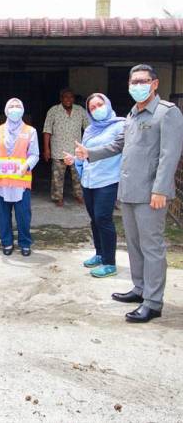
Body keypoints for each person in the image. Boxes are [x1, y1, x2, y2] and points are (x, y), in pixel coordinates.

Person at [75, 64, 183, 323]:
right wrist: (90, 154)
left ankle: (153, 302)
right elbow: (117, 145)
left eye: (143, 81)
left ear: (154, 84)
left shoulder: (167, 113)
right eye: (133, 82)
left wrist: (160, 189)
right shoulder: (133, 115)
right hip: (129, 192)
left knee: (152, 246)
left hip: (151, 194)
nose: (137, 86)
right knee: (134, 245)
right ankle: (139, 289)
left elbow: (170, 156)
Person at [64, 93, 125, 278]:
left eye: (100, 104)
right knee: (94, 219)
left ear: (107, 104)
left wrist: (88, 153)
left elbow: (116, 147)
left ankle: (109, 263)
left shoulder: (120, 125)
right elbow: (85, 154)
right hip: (89, 180)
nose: (97, 109)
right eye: (92, 108)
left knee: (103, 219)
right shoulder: (90, 129)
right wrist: (75, 159)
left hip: (107, 180)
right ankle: (99, 254)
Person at [0, 98, 39, 257]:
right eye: (12, 106)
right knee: (3, 216)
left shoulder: (30, 131)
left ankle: (25, 243)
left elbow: (34, 154)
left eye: (18, 106)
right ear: (6, 110)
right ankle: (7, 242)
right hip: (2, 181)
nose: (15, 109)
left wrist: (27, 165)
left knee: (23, 215)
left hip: (20, 181)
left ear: (23, 110)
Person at [43, 88, 87, 207]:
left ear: (74, 98)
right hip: (58, 149)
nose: (68, 99)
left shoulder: (80, 111)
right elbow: (47, 130)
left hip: (76, 151)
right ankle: (58, 198)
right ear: (61, 99)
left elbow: (88, 129)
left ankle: (79, 195)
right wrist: (46, 149)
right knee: (57, 177)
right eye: (65, 97)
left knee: (78, 175)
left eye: (71, 97)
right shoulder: (54, 110)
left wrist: (88, 148)